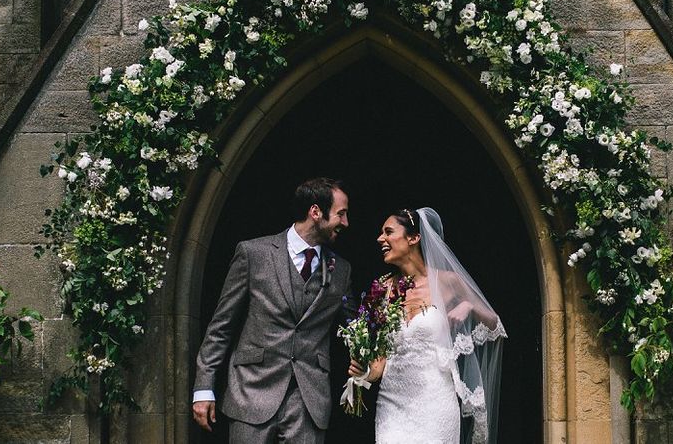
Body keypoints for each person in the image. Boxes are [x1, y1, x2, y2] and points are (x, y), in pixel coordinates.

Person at [193, 177, 354, 443]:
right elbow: (221, 327)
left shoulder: (342, 270)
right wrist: (203, 388)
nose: (346, 223)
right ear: (316, 212)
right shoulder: (253, 253)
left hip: (308, 401)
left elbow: (355, 328)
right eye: (341, 214)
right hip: (251, 392)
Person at [348, 207, 507, 444]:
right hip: (392, 406)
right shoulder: (382, 290)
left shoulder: (447, 281)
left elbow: (495, 325)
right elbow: (378, 366)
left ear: (413, 238)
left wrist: (469, 306)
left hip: (435, 402)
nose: (380, 239)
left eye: (388, 232)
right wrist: (364, 374)